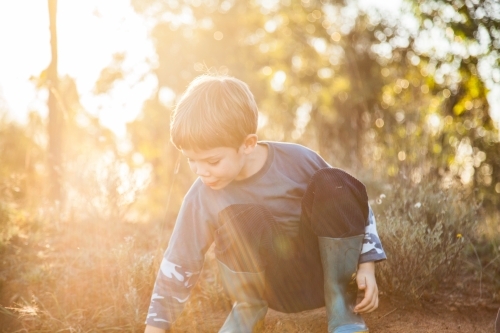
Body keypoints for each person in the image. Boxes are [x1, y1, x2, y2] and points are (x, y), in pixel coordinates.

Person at [144, 75, 386, 333]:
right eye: (192, 160)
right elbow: (180, 261)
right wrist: (155, 327)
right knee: (244, 216)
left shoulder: (297, 160)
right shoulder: (202, 195)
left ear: (247, 144)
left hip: (321, 276)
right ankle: (247, 311)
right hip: (268, 289)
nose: (201, 172)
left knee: (335, 181)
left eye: (212, 161)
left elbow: (351, 203)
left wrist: (366, 265)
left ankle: (341, 309)